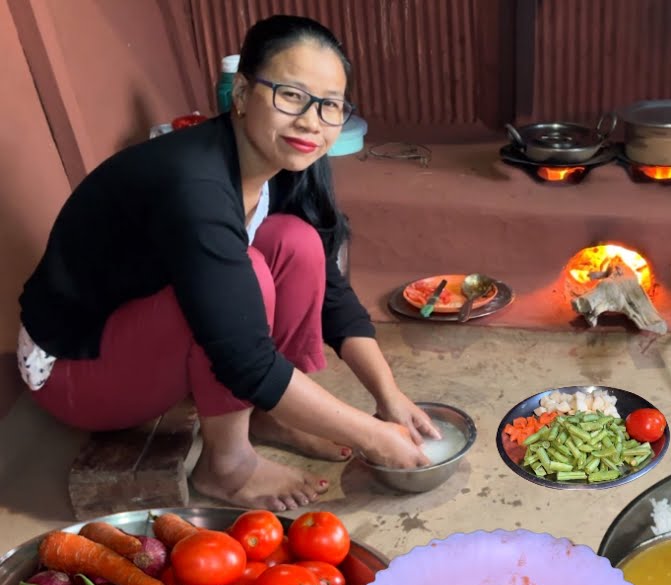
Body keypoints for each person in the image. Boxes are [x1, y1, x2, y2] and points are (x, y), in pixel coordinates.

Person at [18, 15, 437, 511]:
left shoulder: (286, 163)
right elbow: (243, 357)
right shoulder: (193, 184)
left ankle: (259, 413)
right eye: (290, 95)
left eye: (330, 106)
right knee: (250, 278)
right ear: (241, 93)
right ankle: (228, 467)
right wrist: (373, 437)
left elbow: (331, 291)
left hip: (141, 331)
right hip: (76, 369)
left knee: (297, 243)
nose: (311, 121)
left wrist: (388, 397)